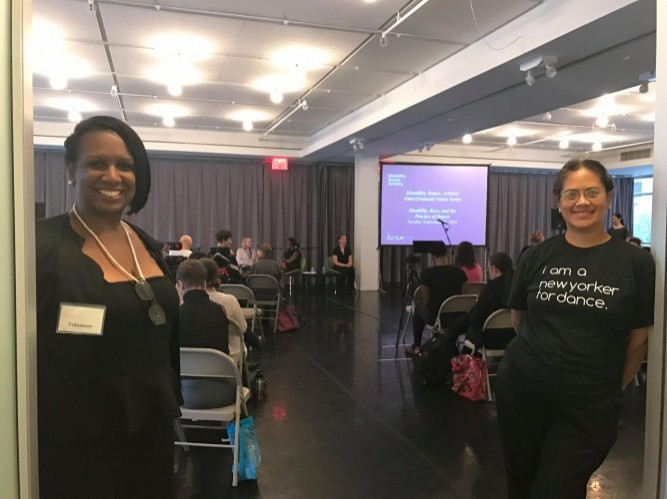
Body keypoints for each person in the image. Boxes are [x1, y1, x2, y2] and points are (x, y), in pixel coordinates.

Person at [36, 116, 181, 498]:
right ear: (72, 170)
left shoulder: (144, 241)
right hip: (78, 436)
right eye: (98, 163)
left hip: (151, 424)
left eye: (125, 165)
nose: (113, 176)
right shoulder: (39, 244)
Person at [495, 159, 655, 499]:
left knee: (555, 489)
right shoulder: (536, 256)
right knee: (521, 485)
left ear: (609, 197)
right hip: (522, 390)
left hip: (590, 405)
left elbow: (639, 339)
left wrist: (609, 389)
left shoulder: (636, 263)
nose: (582, 202)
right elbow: (518, 317)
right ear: (559, 202)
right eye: (572, 194)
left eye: (592, 192)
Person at [176, 259, 236, 410]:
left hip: (183, 396)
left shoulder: (175, 315)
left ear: (180, 285)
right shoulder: (220, 311)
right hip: (222, 394)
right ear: (204, 283)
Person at [404, 241, 467, 356]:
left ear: (432, 257)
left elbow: (426, 301)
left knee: (418, 308)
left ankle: (417, 347)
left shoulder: (427, 274)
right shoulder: (460, 273)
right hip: (459, 319)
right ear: (446, 254)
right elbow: (465, 297)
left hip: (438, 319)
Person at [443, 252, 514, 350]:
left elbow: (476, 319)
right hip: (512, 337)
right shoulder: (517, 287)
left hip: (490, 339)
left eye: (489, 269)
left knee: (466, 323)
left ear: (495, 269)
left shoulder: (491, 289)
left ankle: (451, 347)